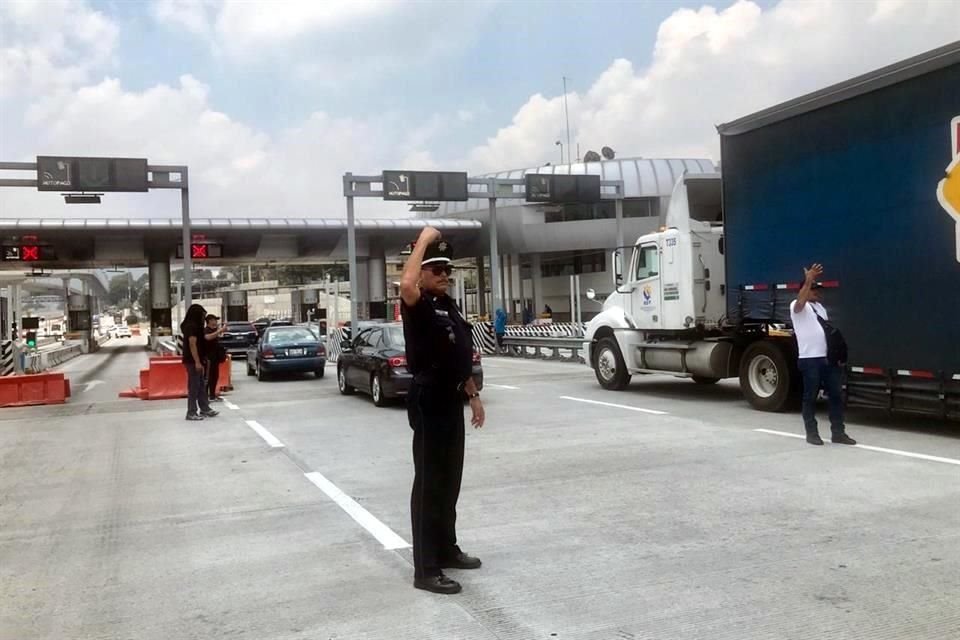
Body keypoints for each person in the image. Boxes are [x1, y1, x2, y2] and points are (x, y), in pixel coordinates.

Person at [400, 226, 485, 595]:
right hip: (429, 398)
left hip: (451, 397)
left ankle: (447, 549)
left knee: (450, 481)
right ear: (421, 273)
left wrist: (473, 393)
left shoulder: (447, 304)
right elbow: (405, 282)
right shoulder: (415, 304)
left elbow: (458, 352)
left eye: (448, 271)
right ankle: (426, 568)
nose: (445, 276)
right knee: (430, 483)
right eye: (437, 271)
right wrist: (423, 238)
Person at [790, 263, 856, 446]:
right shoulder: (797, 306)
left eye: (818, 289)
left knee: (835, 395)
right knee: (810, 396)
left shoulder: (820, 308)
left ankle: (838, 432)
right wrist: (808, 279)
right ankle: (812, 433)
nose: (817, 292)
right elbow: (800, 302)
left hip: (828, 358)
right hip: (810, 359)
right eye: (813, 289)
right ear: (804, 289)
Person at [181, 304, 218, 421]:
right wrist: (197, 362)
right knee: (194, 386)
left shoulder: (196, 326)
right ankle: (191, 412)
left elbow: (205, 339)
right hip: (192, 361)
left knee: (201, 385)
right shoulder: (191, 327)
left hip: (198, 360)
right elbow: (192, 344)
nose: (203, 318)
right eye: (202, 315)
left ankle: (205, 408)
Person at [204, 314, 227, 402]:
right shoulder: (206, 330)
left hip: (215, 358)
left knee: (214, 377)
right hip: (209, 358)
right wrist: (220, 330)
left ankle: (212, 395)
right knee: (208, 377)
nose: (216, 322)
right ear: (209, 321)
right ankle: (205, 397)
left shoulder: (214, 330)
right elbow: (208, 337)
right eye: (214, 320)